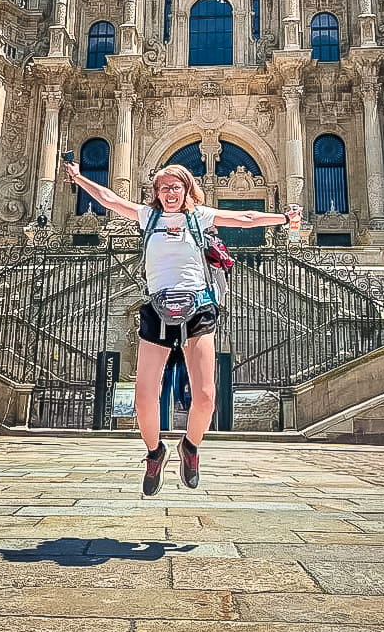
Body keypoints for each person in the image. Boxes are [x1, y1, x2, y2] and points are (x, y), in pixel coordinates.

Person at [64, 159, 299, 497]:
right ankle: (155, 453)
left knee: (205, 396)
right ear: (156, 193)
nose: (170, 193)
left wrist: (284, 218)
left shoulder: (199, 216)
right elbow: (110, 200)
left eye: (175, 187)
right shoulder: (149, 217)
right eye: (163, 188)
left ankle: (190, 447)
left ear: (187, 188)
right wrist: (79, 178)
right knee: (144, 397)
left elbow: (247, 218)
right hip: (157, 308)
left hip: (197, 306)